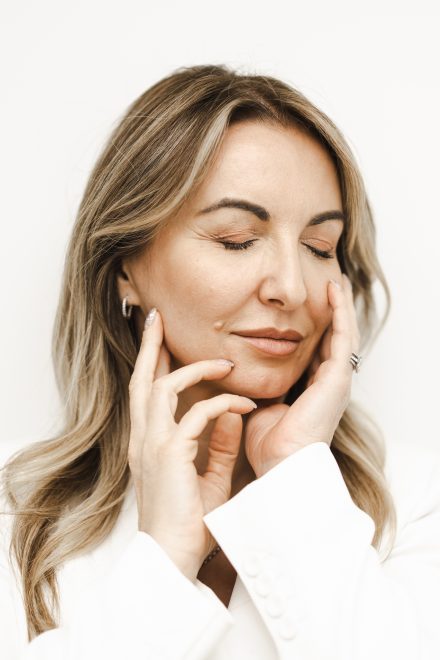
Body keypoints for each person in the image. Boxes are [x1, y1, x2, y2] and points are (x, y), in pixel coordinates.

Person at [1, 64, 439, 660]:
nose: (292, 286)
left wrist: (294, 472)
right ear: (126, 265)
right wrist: (163, 559)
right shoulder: (16, 517)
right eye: (237, 239)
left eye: (320, 248)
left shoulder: (415, 499)